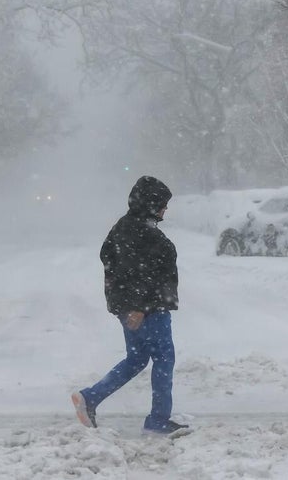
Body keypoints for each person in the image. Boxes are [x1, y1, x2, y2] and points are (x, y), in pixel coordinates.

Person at [71, 175, 189, 435]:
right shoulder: (141, 232)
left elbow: (109, 260)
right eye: (162, 203)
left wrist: (123, 306)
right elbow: (136, 271)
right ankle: (158, 420)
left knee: (136, 359)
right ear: (150, 203)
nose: (165, 209)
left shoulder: (126, 225)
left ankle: (90, 397)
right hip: (149, 309)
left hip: (134, 307)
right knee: (163, 358)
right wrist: (138, 306)